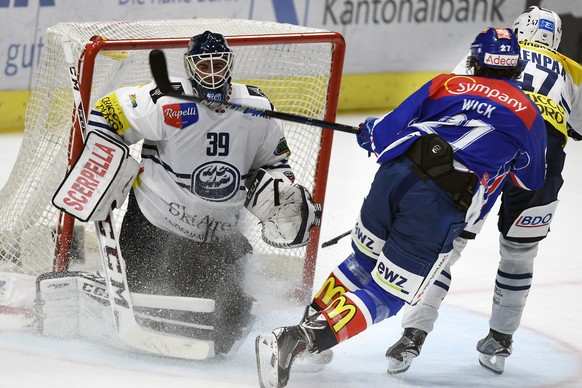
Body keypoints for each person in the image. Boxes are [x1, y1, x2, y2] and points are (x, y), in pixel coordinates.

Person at [255, 27, 547, 387]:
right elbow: (531, 180)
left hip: (393, 175)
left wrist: (370, 130)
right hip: (439, 201)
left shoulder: (447, 83)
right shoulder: (529, 113)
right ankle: (298, 340)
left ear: (475, 60)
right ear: (516, 67)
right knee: (389, 293)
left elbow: (385, 132)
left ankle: (310, 335)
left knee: (359, 263)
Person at [39, 31, 321, 358]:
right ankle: (97, 278)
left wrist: (278, 191)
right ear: (191, 68)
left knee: (226, 330)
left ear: (229, 65)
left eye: (219, 64)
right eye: (205, 65)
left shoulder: (256, 109)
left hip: (219, 240)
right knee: (160, 309)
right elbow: (105, 113)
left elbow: (276, 161)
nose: (213, 73)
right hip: (154, 229)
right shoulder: (168, 103)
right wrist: (107, 163)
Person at [385, 6, 582, 375]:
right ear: (557, 39)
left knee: (449, 241)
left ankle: (413, 334)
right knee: (520, 253)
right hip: (543, 154)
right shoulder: (573, 70)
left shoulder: (493, 50)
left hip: (486, 145)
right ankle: (500, 340)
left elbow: (453, 96)